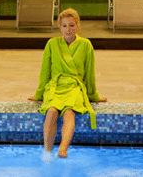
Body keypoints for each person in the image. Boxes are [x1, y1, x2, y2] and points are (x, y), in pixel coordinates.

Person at [28, 8, 108, 159]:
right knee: (51, 111)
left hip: (74, 86)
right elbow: (45, 71)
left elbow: (90, 72)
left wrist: (94, 96)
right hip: (56, 86)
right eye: (64, 26)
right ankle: (47, 152)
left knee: (69, 112)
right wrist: (38, 94)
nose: (68, 29)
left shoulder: (86, 45)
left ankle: (63, 148)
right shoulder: (52, 44)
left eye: (71, 25)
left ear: (78, 26)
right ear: (60, 27)